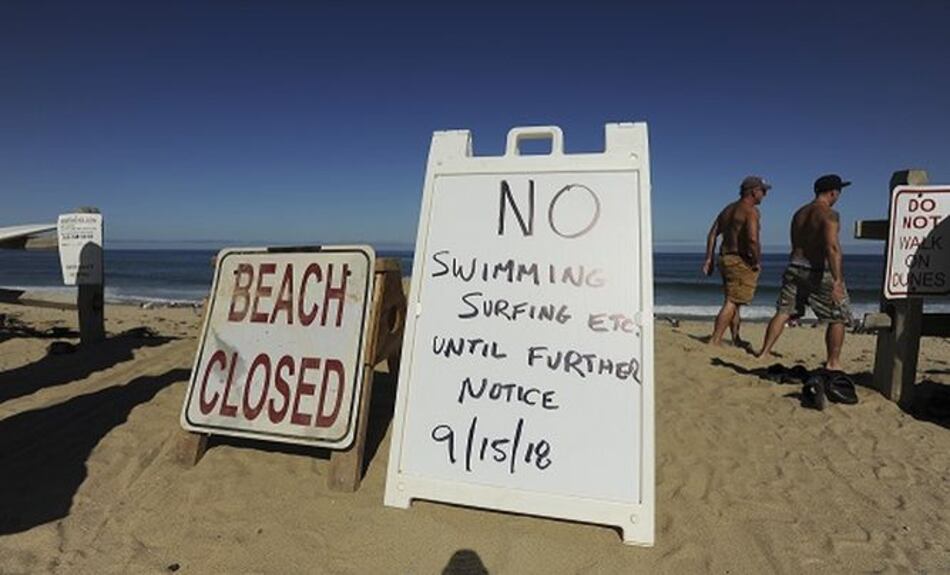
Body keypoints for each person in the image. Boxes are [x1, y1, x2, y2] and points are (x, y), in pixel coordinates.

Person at [756, 174, 852, 370]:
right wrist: (837, 280)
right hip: (817, 270)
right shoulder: (830, 214)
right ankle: (833, 362)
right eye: (839, 192)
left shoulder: (799, 213)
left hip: (794, 267)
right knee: (838, 316)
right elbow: (832, 248)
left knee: (783, 311)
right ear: (833, 192)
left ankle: (764, 352)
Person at [702, 175, 770, 346]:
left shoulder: (728, 209)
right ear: (753, 191)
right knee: (732, 301)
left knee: (735, 300)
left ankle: (735, 338)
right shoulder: (751, 211)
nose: (765, 195)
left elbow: (712, 234)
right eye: (763, 191)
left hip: (725, 258)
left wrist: (709, 259)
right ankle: (715, 339)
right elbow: (753, 240)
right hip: (739, 260)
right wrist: (756, 262)